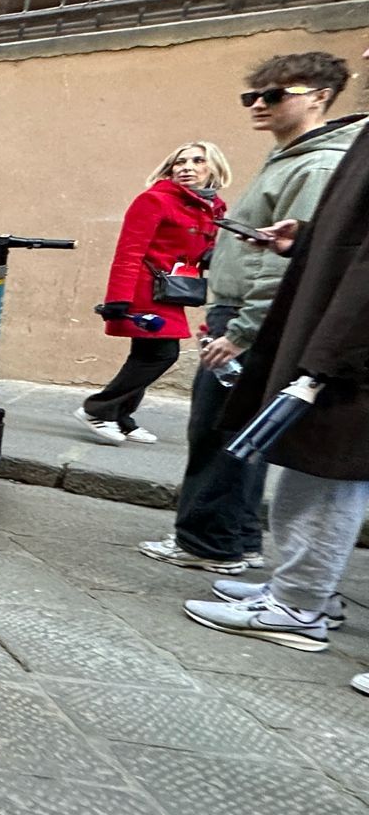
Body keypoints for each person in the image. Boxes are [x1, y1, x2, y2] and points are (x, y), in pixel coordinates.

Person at [143, 52, 362, 574]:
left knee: (218, 432)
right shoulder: (292, 157)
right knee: (234, 432)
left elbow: (285, 266)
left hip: (249, 321)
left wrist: (242, 331)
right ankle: (235, 541)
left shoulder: (317, 164)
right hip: (241, 315)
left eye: (275, 95)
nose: (259, 105)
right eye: (253, 96)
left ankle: (209, 545)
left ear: (319, 97)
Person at [189, 79, 368, 661]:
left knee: (325, 472)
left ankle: (297, 606)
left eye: (274, 92)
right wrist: (307, 241)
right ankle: (304, 590)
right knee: (312, 470)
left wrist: (325, 357)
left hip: (348, 349)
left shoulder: (325, 154)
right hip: (334, 335)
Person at [76, 143, 230, 443]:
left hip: (171, 291)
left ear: (213, 168)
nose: (186, 167)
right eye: (179, 162)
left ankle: (121, 416)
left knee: (146, 354)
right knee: (163, 353)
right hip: (144, 287)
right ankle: (97, 409)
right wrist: (118, 298)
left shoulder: (211, 207)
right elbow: (129, 249)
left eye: (197, 161)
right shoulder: (154, 200)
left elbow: (199, 249)